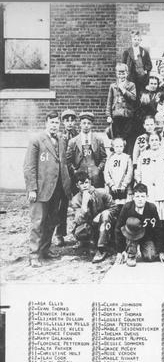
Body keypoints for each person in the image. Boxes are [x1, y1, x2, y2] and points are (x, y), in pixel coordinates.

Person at [23, 111, 72, 267]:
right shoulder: (37, 140)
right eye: (52, 122)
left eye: (57, 123)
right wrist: (32, 189)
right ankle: (34, 255)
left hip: (57, 189)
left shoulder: (62, 140)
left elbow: (62, 164)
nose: (54, 125)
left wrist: (66, 186)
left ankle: (45, 250)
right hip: (41, 189)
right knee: (38, 222)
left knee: (52, 221)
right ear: (46, 123)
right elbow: (29, 166)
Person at [71, 170, 119, 263]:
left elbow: (115, 208)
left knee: (106, 214)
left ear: (90, 182)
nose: (85, 186)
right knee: (79, 230)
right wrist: (84, 206)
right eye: (81, 184)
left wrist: (101, 214)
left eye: (86, 182)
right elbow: (78, 221)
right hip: (90, 226)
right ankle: (89, 243)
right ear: (77, 185)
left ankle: (101, 249)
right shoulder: (76, 200)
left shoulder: (101, 192)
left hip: (105, 225)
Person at [115, 183, 164, 267]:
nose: (140, 199)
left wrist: (160, 251)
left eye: (143, 196)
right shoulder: (127, 207)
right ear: (133, 197)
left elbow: (158, 229)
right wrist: (119, 251)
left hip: (146, 236)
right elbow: (118, 228)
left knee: (150, 257)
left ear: (147, 197)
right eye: (137, 196)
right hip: (131, 236)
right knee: (132, 224)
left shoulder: (152, 208)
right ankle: (131, 254)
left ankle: (143, 250)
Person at [54, 109, 78, 247]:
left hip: (75, 175)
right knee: (61, 206)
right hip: (63, 176)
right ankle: (59, 234)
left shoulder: (78, 136)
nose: (69, 123)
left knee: (78, 205)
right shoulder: (59, 137)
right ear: (63, 122)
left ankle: (78, 233)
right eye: (67, 120)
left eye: (72, 120)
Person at [66, 111, 107, 188]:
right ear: (80, 124)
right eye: (84, 123)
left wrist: (98, 169)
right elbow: (68, 161)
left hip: (95, 177)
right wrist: (74, 171)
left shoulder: (98, 140)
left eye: (88, 123)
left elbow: (104, 158)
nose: (86, 125)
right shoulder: (73, 141)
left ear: (92, 125)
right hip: (79, 178)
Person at [135, 132, 164, 219]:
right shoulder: (143, 155)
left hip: (160, 188)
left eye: (156, 140)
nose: (154, 142)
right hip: (147, 188)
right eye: (152, 140)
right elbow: (138, 171)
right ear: (148, 142)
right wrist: (139, 181)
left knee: (160, 214)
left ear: (160, 142)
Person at [106, 63, 137, 154]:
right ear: (116, 74)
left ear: (127, 73)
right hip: (116, 115)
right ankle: (116, 155)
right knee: (116, 138)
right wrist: (108, 115)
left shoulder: (131, 85)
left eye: (123, 73)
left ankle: (127, 156)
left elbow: (133, 98)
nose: (121, 75)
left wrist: (123, 90)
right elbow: (109, 101)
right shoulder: (113, 86)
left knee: (126, 137)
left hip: (127, 116)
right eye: (119, 73)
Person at [104, 137, 134, 207]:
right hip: (113, 186)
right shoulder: (110, 159)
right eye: (117, 146)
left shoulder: (127, 158)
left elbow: (130, 172)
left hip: (124, 187)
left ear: (124, 147)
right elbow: (106, 173)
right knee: (114, 205)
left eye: (121, 146)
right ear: (113, 147)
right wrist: (111, 184)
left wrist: (125, 184)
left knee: (125, 205)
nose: (119, 148)